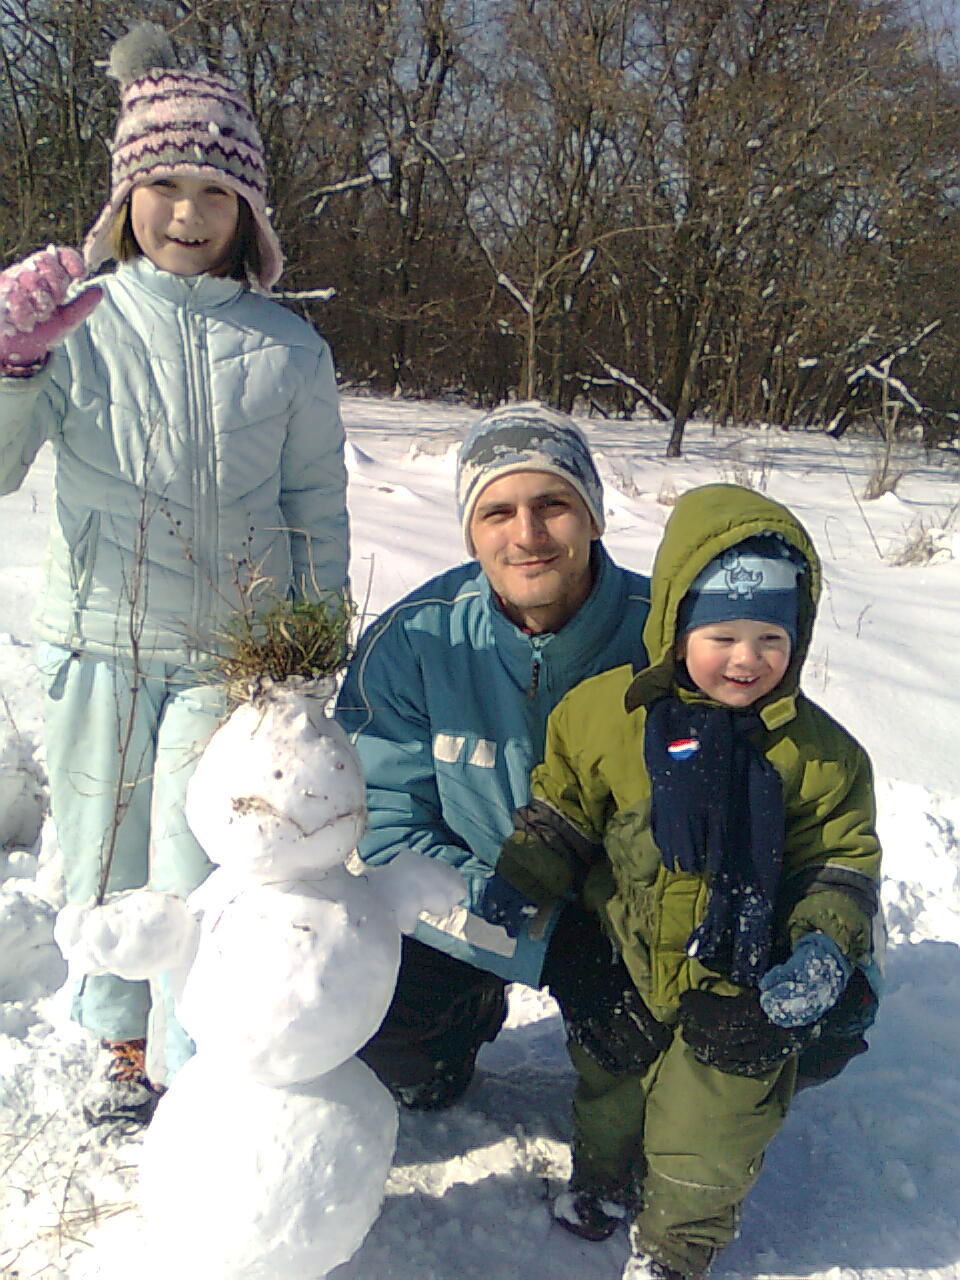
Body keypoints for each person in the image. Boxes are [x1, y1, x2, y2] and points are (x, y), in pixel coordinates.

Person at [0, 23, 349, 1125]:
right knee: (104, 855)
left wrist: (310, 644)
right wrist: (13, 364)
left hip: (228, 661)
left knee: (200, 866)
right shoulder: (79, 328)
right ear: (124, 197)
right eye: (163, 184)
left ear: (249, 213)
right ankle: (119, 1037)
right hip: (100, 644)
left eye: (214, 190)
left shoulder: (290, 349)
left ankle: (191, 1056)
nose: (188, 212)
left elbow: (315, 506)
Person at [492, 483, 883, 1280]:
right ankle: (604, 1181)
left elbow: (840, 866)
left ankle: (677, 1246)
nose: (746, 659)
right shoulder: (605, 718)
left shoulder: (823, 758)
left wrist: (821, 950)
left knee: (712, 1130)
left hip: (744, 985)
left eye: (771, 637)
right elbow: (564, 813)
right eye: (722, 634)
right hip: (629, 961)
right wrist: (525, 876)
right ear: (675, 626)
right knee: (612, 1084)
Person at [335, 402, 652, 1109]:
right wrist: (545, 943)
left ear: (594, 516)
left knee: (696, 1062)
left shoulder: (670, 637)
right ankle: (466, 1014)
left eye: (552, 505)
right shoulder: (415, 642)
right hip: (474, 901)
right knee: (370, 1024)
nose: (527, 535)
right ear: (471, 535)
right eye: (497, 513)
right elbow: (385, 837)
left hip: (629, 917)